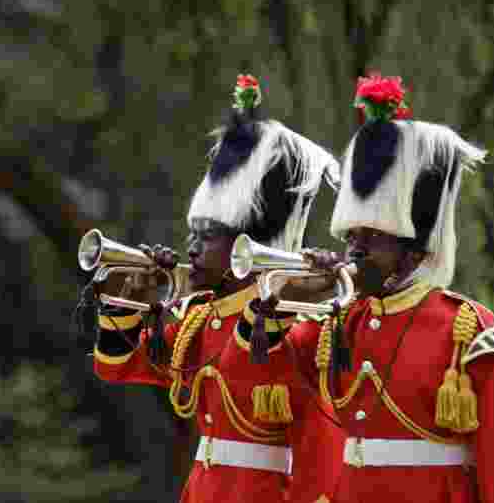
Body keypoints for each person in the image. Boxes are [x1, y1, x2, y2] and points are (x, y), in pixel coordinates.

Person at [91, 74, 345, 503]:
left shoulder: (301, 328)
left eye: (207, 234)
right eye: (193, 231)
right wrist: (129, 292)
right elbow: (116, 367)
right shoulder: (202, 319)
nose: (191, 245)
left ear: (247, 245)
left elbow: (324, 448)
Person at [296, 73, 494, 503]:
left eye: (374, 236)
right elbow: (263, 368)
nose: (356, 249)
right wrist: (302, 294)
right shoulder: (342, 319)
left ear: (415, 251)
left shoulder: (467, 327)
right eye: (352, 235)